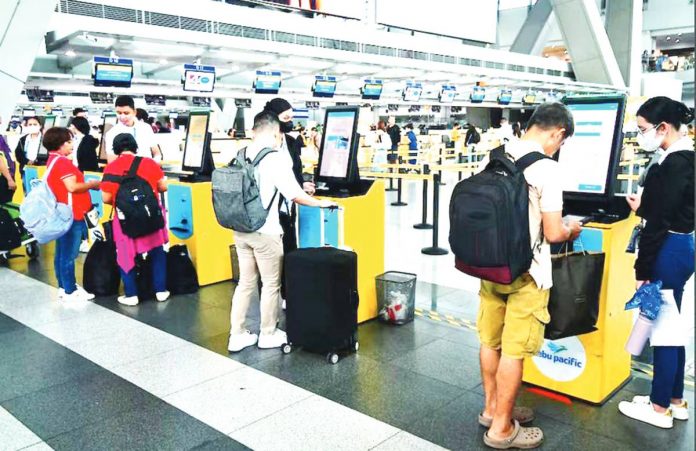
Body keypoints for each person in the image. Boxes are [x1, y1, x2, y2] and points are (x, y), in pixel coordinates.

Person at [476, 103, 582, 449]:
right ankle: (502, 429)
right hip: (528, 274)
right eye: (560, 143)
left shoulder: (494, 155)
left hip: (490, 266)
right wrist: (571, 230)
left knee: (490, 341)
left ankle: (492, 409)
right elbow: (552, 233)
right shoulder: (547, 169)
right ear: (558, 133)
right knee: (514, 350)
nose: (557, 149)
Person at [227, 111, 336, 352]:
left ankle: (237, 335)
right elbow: (294, 194)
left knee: (245, 283)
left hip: (240, 229)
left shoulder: (239, 154)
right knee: (271, 284)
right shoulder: (275, 158)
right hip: (266, 231)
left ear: (255, 130)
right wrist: (321, 203)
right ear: (276, 133)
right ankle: (268, 333)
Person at [619, 97, 695, 429]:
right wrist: (648, 206)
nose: (641, 136)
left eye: (643, 129)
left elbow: (656, 224)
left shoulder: (670, 165)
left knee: (662, 328)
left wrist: (642, 270)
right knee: (673, 326)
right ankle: (675, 399)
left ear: (663, 128)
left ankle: (659, 406)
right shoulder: (689, 159)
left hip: (666, 250)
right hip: (683, 246)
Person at [100, 133, 170, 307]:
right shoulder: (149, 163)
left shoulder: (110, 168)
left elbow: (106, 198)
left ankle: (131, 294)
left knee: (125, 254)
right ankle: (161, 291)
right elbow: (163, 187)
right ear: (135, 146)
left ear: (115, 149)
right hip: (150, 215)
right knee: (157, 251)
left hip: (125, 219)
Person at [262, 98, 315, 308]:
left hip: (288, 205)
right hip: (269, 208)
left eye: (292, 118)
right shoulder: (264, 144)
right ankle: (274, 301)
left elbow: (294, 172)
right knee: (274, 256)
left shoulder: (292, 142)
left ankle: (288, 292)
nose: (290, 122)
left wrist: (303, 186)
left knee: (290, 249)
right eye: (286, 118)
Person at [44, 127, 100, 302]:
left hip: (62, 212)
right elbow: (73, 187)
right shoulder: (62, 163)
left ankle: (64, 287)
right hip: (72, 214)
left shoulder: (52, 160)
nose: (72, 145)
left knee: (61, 252)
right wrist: (92, 184)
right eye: (68, 142)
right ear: (59, 144)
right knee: (69, 254)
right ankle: (70, 290)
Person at [104, 96, 161, 163]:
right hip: (125, 172)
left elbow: (157, 153)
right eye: (119, 113)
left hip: (146, 170)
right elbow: (112, 162)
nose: (122, 117)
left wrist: (153, 165)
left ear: (134, 112)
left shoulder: (146, 128)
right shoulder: (112, 133)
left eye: (126, 113)